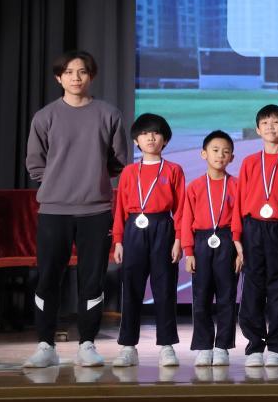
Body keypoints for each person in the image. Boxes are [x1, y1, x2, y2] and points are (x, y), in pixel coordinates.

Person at [23, 50, 130, 370]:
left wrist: (91, 178)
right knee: (47, 278)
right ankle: (45, 345)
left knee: (92, 281)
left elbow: (119, 160)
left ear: (91, 76)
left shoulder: (108, 114)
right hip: (53, 211)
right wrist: (60, 181)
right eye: (68, 72)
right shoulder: (45, 117)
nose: (75, 77)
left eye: (82, 71)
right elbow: (35, 164)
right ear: (59, 78)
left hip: (95, 212)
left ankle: (87, 344)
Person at [112, 113, 185, 368]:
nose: (150, 138)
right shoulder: (129, 171)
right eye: (144, 134)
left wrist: (179, 239)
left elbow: (182, 209)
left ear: (165, 139)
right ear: (136, 141)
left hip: (163, 227)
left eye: (155, 133)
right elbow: (120, 208)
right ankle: (128, 346)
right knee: (131, 289)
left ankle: (167, 346)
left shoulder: (173, 170)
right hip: (134, 229)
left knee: (164, 289)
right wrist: (118, 240)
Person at [236, 104, 278, 368]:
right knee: (252, 288)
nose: (270, 127)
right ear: (257, 129)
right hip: (253, 228)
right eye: (265, 123)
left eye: (276, 122)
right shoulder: (250, 162)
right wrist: (237, 236)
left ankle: (277, 345)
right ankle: (254, 345)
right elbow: (239, 200)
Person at [180, 130, 244, 367]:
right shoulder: (195, 186)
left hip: (227, 240)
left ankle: (223, 346)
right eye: (215, 150)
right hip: (201, 242)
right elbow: (186, 219)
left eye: (226, 152)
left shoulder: (236, 185)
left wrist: (239, 250)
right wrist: (189, 251)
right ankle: (204, 346)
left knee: (227, 297)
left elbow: (240, 220)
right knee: (201, 297)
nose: (220, 155)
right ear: (204, 154)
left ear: (232, 158)